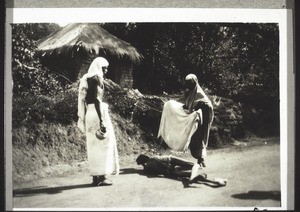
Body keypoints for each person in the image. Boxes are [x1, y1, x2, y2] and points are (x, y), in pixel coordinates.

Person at [157, 73, 214, 181]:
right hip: (195, 120)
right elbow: (187, 104)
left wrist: (196, 112)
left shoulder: (200, 95)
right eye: (188, 84)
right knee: (193, 140)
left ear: (195, 83)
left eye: (191, 84)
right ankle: (199, 160)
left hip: (201, 121)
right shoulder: (189, 93)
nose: (189, 86)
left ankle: (200, 160)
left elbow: (205, 107)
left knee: (199, 139)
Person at [77, 57, 119, 186]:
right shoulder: (97, 78)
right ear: (99, 67)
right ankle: (102, 177)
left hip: (89, 113)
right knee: (104, 144)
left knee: (93, 145)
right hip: (97, 113)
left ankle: (95, 177)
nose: (106, 70)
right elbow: (97, 100)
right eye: (104, 67)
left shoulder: (86, 79)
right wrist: (102, 120)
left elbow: (85, 100)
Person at [136, 154, 226, 187]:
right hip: (169, 159)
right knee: (195, 165)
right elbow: (159, 162)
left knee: (185, 175)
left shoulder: (148, 167)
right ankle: (195, 174)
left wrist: (144, 167)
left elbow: (154, 171)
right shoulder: (152, 158)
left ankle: (196, 178)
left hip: (168, 170)